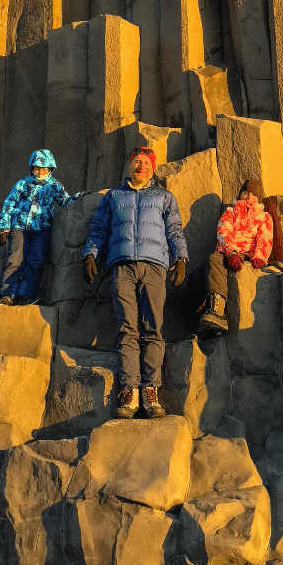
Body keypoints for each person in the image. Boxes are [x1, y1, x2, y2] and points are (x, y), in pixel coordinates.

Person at [82, 147, 188, 420]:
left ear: (153, 169)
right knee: (127, 330)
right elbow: (99, 228)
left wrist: (181, 259)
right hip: (121, 265)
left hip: (155, 266)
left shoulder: (164, 197)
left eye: (146, 163)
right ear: (130, 166)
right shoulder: (114, 197)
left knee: (153, 328)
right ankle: (130, 391)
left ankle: (151, 390)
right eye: (136, 162)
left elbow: (175, 230)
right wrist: (90, 255)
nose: (141, 166)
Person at [0, 149, 78, 306]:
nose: (40, 171)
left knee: (36, 261)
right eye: (37, 168)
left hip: (41, 230)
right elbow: (9, 203)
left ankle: (25, 295)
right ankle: (6, 294)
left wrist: (79, 198)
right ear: (31, 168)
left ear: (50, 169)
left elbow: (65, 202)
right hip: (19, 227)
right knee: (14, 259)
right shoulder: (23, 183)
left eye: (44, 168)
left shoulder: (55, 186)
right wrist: (4, 226)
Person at [197, 179, 277, 335]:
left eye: (252, 194)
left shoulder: (264, 217)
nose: (248, 196)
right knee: (196, 277)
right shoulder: (230, 212)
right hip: (230, 253)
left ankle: (218, 312)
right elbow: (223, 232)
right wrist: (232, 252)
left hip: (248, 255)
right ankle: (202, 321)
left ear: (258, 198)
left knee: (214, 260)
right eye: (245, 193)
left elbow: (265, 238)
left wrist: (259, 256)